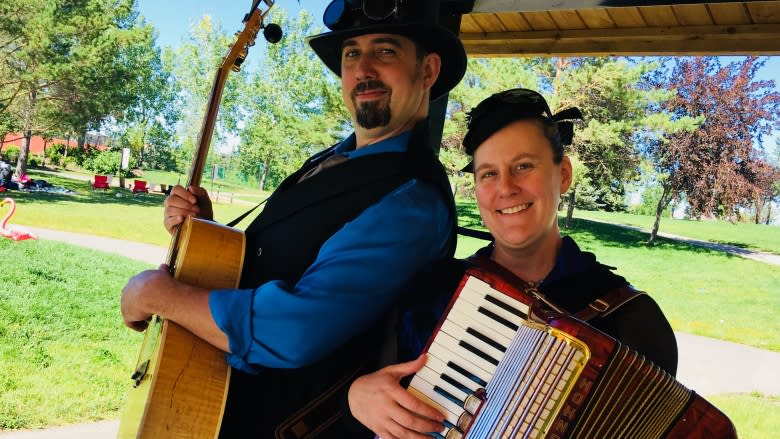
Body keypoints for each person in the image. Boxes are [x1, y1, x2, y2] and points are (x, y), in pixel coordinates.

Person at [120, 1, 467, 437]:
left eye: (386, 51)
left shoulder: (411, 200)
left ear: (429, 71)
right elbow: (283, 256)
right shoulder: (334, 159)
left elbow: (296, 329)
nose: (363, 70)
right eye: (351, 55)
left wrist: (158, 294)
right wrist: (207, 235)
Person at [346, 88, 678, 438]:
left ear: (563, 174)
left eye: (523, 166)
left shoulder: (632, 321)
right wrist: (357, 399)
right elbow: (379, 395)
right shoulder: (431, 289)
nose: (506, 188)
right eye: (488, 173)